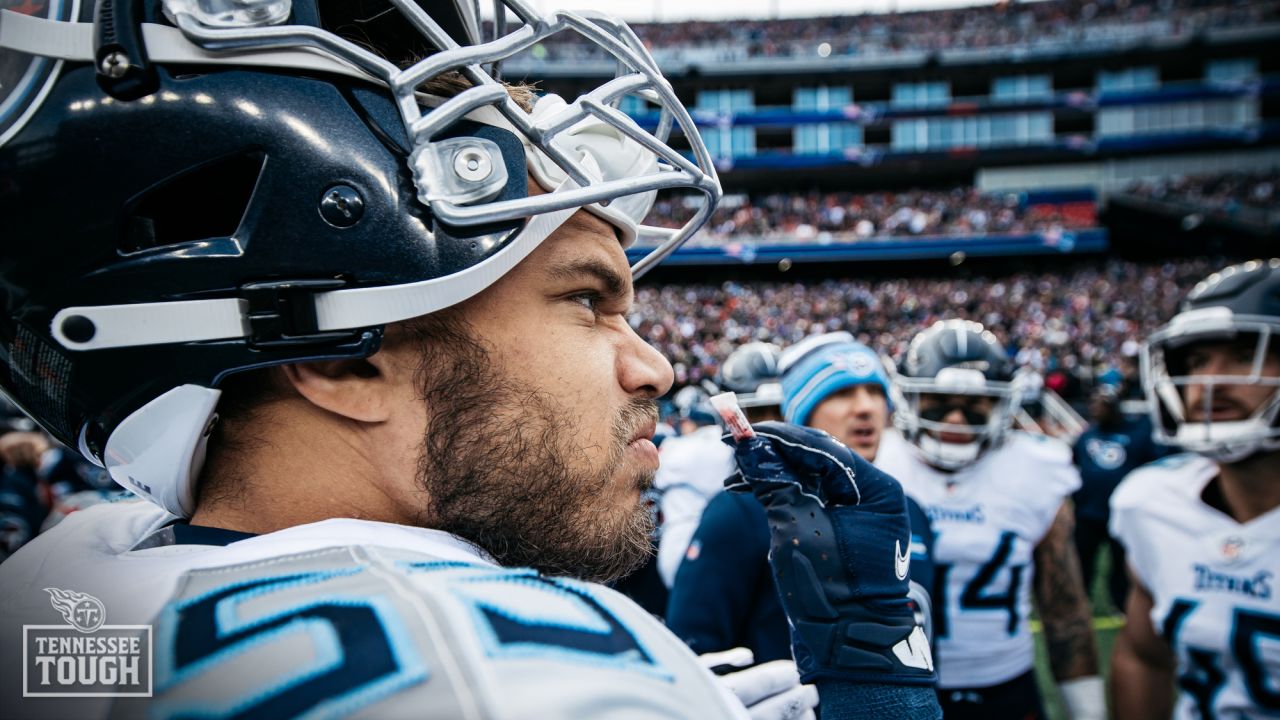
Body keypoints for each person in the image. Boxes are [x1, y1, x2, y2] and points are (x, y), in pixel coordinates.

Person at [0, 1, 938, 718]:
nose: (654, 369)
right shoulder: (519, 671)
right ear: (345, 361)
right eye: (586, 301)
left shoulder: (56, 604)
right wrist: (879, 692)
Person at [877, 320, 1104, 720]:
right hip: (898, 683)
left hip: (1005, 682)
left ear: (1004, 403)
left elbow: (1064, 614)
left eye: (974, 403)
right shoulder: (876, 461)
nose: (956, 420)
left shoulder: (1036, 469)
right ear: (908, 396)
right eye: (940, 400)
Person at [668, 333, 935, 663]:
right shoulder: (743, 511)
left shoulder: (910, 511)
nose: (865, 407)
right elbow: (693, 647)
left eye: (875, 392)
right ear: (797, 413)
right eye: (841, 393)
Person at [1109, 258, 1280, 720]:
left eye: (1246, 355)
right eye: (1198, 359)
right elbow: (1144, 657)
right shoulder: (1150, 503)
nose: (1209, 381)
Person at [1070, 382, 1169, 613]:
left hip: (1121, 515)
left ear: (1115, 407)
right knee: (1082, 560)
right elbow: (1074, 462)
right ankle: (1080, 601)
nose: (1095, 409)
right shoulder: (1087, 435)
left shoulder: (1138, 434)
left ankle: (1121, 604)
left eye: (1101, 404)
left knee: (1121, 564)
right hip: (1087, 513)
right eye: (1093, 404)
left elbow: (1154, 466)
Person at [654, 386, 737, 589]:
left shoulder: (678, 449)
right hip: (726, 534)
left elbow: (651, 477)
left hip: (683, 537)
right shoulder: (728, 444)